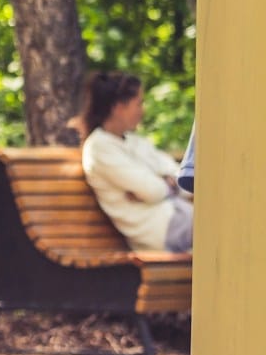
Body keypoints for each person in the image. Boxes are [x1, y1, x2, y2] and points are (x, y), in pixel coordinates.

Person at [75, 71, 193, 252]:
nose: (142, 110)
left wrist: (165, 184)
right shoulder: (99, 148)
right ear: (118, 107)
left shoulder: (135, 142)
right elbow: (152, 190)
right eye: (138, 103)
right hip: (160, 231)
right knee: (222, 226)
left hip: (180, 216)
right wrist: (164, 183)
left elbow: (179, 178)